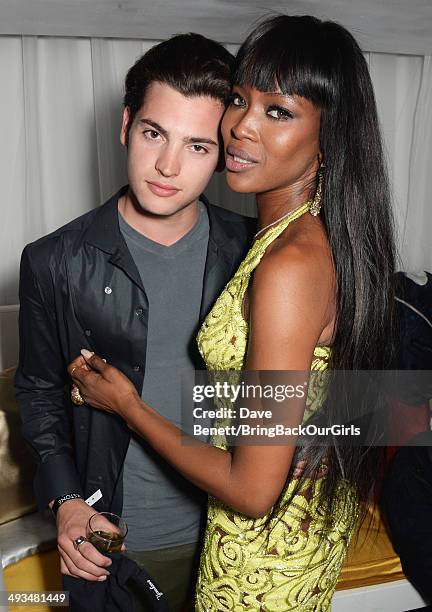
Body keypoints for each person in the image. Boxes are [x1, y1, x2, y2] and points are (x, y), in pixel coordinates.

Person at [68, 15, 396, 610]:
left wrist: (127, 407)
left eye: (279, 112)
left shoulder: (291, 265)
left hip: (257, 572)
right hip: (294, 550)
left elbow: (251, 489)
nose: (241, 127)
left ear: (331, 135)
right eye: (241, 99)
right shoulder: (305, 239)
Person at [15, 33, 254, 611]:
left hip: (237, 540)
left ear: (223, 153)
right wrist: (67, 503)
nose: (168, 166)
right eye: (154, 134)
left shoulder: (256, 251)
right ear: (126, 125)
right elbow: (41, 394)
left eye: (197, 146)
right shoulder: (53, 260)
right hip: (111, 539)